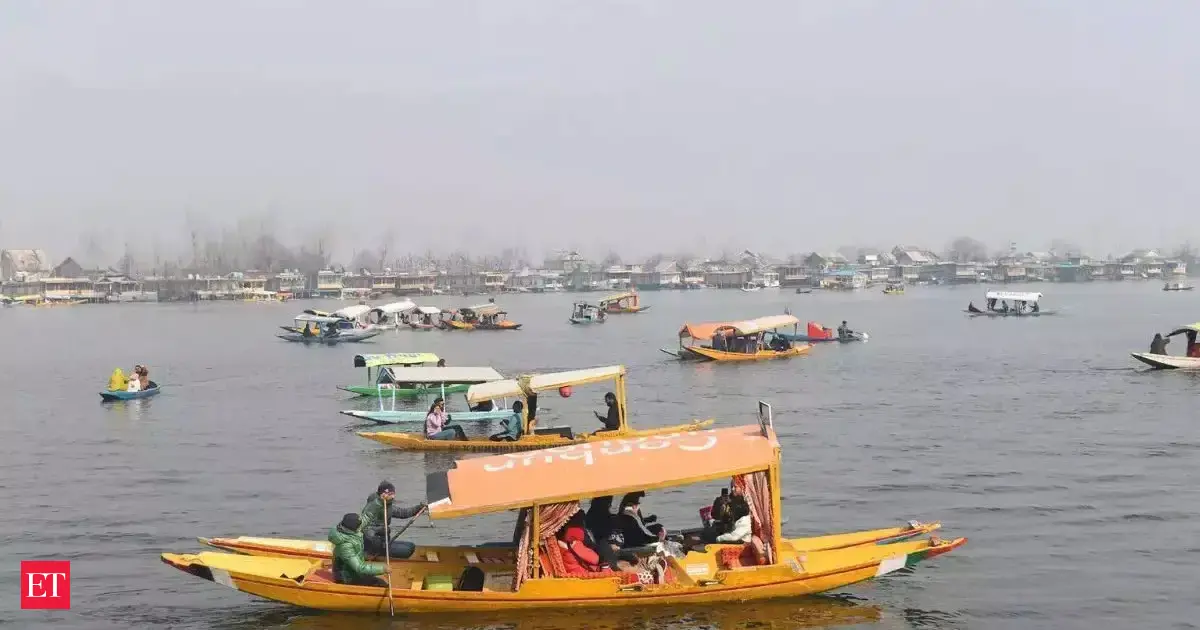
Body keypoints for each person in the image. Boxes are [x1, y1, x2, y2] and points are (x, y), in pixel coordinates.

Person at [359, 481, 425, 560]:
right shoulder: (372, 508)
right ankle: (373, 555)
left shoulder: (388, 506)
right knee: (407, 550)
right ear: (383, 494)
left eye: (393, 493)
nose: (393, 497)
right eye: (390, 494)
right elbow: (366, 529)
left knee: (411, 546)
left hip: (385, 542)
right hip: (374, 546)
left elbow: (403, 513)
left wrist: (419, 508)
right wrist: (377, 540)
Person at [329, 513, 389, 587]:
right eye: (359, 525)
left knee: (376, 577)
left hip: (353, 571)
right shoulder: (346, 546)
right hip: (347, 577)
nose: (361, 526)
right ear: (355, 528)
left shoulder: (346, 529)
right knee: (381, 583)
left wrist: (378, 505)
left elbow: (366, 517)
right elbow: (359, 567)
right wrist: (383, 569)